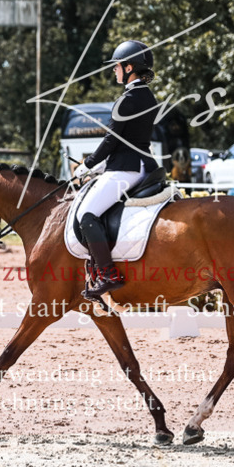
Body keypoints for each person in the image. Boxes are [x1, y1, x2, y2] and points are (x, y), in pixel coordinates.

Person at [73, 40, 160, 301]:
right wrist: (99, 166)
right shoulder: (147, 96)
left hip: (126, 169)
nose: (114, 70)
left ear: (129, 67)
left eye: (117, 66)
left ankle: (108, 274)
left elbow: (111, 140)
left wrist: (86, 165)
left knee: (87, 215)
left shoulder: (127, 99)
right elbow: (127, 141)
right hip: (143, 165)